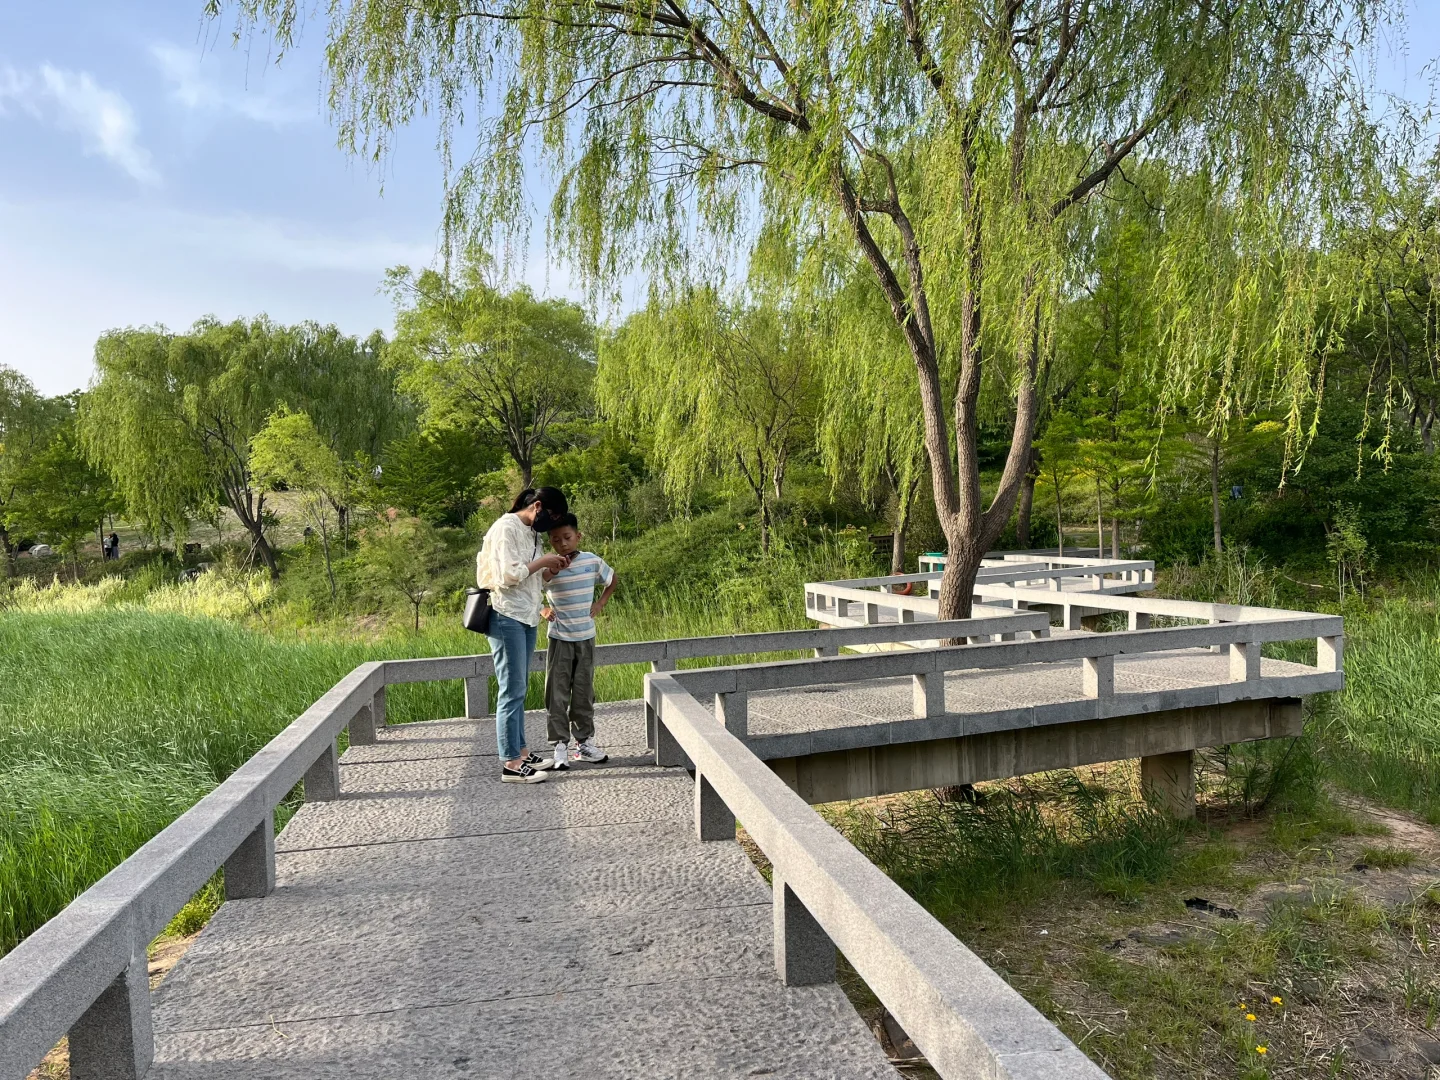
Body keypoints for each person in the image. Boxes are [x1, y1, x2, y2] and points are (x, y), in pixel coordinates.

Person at [476, 487, 572, 783]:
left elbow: (532, 579)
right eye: (552, 515)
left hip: (526, 615)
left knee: (518, 689)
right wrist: (544, 562)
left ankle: (521, 751)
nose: (552, 522)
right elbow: (508, 575)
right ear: (538, 506)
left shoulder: (532, 533)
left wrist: (552, 569)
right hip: (506, 615)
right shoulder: (506, 527)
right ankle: (510, 763)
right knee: (511, 690)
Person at [540, 514, 617, 770]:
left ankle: (584, 744)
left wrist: (601, 603)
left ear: (578, 537)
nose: (562, 544)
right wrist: (542, 610)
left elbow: (612, 579)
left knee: (584, 692)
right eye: (556, 540)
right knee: (557, 694)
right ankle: (560, 745)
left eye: (567, 538)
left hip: (586, 636)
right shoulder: (547, 568)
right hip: (560, 637)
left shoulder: (592, 561)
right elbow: (529, 593)